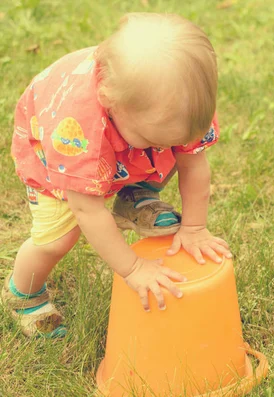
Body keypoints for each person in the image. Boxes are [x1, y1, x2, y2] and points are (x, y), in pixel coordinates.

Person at [2, 13, 232, 338]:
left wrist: (195, 228)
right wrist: (133, 268)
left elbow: (193, 163)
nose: (168, 148)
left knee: (162, 152)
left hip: (119, 140)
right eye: (155, 141)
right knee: (57, 239)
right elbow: (88, 211)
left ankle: (133, 194)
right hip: (56, 160)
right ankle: (23, 295)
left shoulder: (181, 104)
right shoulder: (83, 137)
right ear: (112, 103)